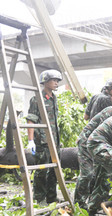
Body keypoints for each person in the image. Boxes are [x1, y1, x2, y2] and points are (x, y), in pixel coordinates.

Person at [26, 69, 62, 206]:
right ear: (45, 81)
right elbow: (31, 120)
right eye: (54, 80)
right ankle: (40, 198)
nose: (56, 83)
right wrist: (30, 141)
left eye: (58, 81)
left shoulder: (53, 98)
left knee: (54, 170)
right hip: (42, 141)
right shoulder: (37, 99)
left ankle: (51, 197)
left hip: (54, 141)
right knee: (42, 171)